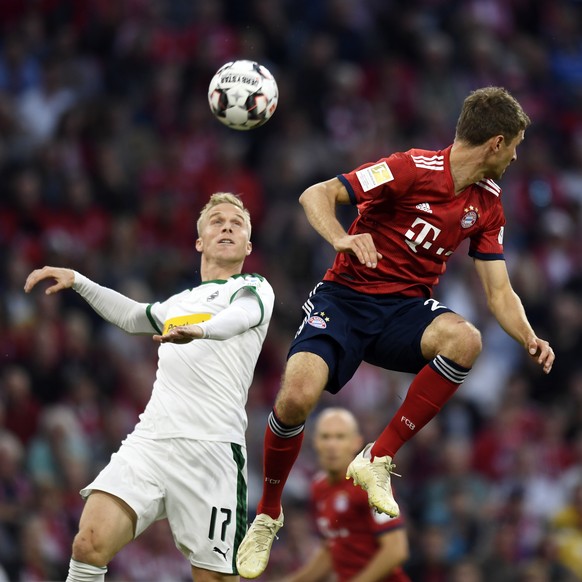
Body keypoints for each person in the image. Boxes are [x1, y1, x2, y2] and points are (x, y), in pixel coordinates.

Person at [236, 87, 555, 579]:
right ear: (495, 143)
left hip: (405, 311)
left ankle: (378, 457)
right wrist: (342, 236)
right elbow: (315, 193)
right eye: (513, 145)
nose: (515, 157)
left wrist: (530, 336)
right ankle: (268, 512)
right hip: (344, 298)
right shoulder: (410, 168)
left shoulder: (487, 206)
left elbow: (499, 291)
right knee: (295, 399)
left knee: (466, 339)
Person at [23, 192, 275, 582]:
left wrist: (201, 330)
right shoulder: (179, 302)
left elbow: (239, 319)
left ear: (248, 244)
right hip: (152, 442)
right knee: (88, 544)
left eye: (237, 222)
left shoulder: (254, 288)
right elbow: (132, 316)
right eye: (216, 220)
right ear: (199, 241)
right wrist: (80, 281)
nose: (227, 225)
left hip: (212, 453)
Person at [285, 407, 410, 582]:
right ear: (315, 442)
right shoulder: (318, 487)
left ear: (356, 442)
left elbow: (396, 550)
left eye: (340, 437)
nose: (332, 445)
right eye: (326, 437)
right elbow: (331, 550)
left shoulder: (370, 484)